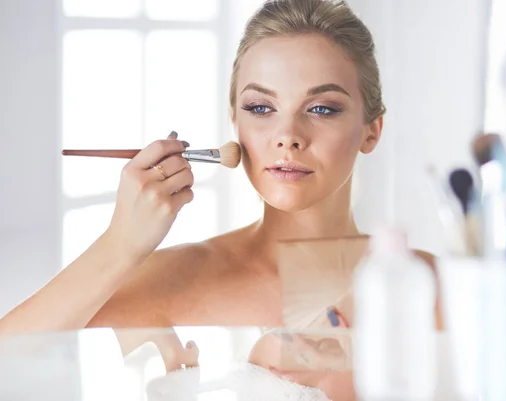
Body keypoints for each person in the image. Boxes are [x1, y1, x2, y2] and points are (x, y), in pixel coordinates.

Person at [0, 0, 441, 399]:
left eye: (322, 108)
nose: (287, 137)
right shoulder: (162, 279)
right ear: (234, 120)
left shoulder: (423, 284)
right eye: (261, 108)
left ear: (372, 130)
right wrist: (120, 244)